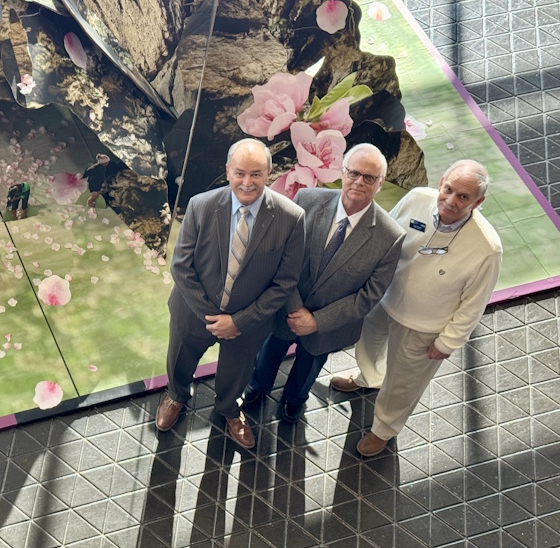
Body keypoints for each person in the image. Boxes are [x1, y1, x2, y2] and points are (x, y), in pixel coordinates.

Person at [331, 160, 502, 456]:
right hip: (383, 299)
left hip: (423, 326)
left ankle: (383, 429)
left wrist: (447, 342)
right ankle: (369, 378)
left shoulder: (487, 248)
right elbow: (383, 238)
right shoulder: (417, 199)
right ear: (441, 183)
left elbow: (473, 305)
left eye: (463, 197)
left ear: (479, 202)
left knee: (403, 383)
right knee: (368, 348)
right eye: (448, 189)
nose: (451, 201)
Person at [156, 138, 304, 449]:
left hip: (247, 324)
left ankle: (228, 409)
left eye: (256, 174)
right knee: (179, 363)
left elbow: (285, 282)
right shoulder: (201, 206)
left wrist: (239, 321)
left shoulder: (291, 217)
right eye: (240, 173)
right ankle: (176, 396)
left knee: (236, 374)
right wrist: (214, 319)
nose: (247, 183)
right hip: (194, 313)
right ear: (227, 171)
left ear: (269, 173)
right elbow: (181, 267)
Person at [241, 144, 406, 422]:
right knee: (270, 352)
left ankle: (294, 400)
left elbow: (369, 296)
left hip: (331, 324)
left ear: (381, 183)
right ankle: (257, 388)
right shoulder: (307, 199)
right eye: (354, 173)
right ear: (342, 172)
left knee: (310, 365)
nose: (359, 182)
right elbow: (282, 255)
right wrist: (296, 310)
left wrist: (317, 321)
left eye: (369, 177)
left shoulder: (391, 236)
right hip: (287, 306)